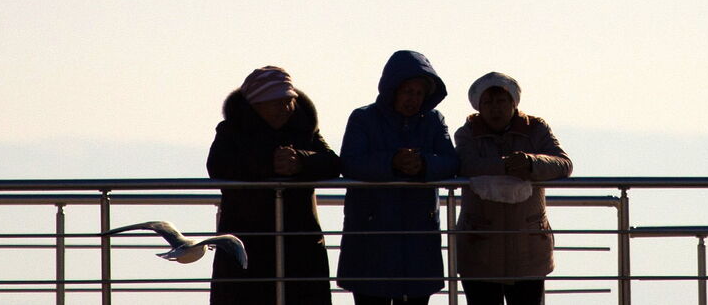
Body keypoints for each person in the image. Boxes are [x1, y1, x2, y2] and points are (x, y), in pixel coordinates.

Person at [205, 65, 342, 305]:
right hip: (247, 241)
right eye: (277, 102)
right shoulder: (231, 130)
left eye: (289, 101)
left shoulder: (305, 126)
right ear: (256, 105)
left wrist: (301, 161)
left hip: (300, 242)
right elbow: (218, 166)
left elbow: (332, 163)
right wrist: (269, 164)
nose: (286, 108)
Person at [337, 50, 460, 305]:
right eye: (407, 91)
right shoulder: (363, 118)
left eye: (418, 93)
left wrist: (424, 164)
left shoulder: (434, 121)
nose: (412, 99)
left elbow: (451, 161)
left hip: (417, 238)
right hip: (372, 236)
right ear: (392, 89)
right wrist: (392, 162)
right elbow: (349, 163)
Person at [453, 73, 573, 305]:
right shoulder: (467, 133)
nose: (495, 109)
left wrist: (531, 163)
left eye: (501, 102)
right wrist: (508, 165)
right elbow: (464, 164)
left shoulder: (536, 129)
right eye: (488, 103)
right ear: (478, 106)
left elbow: (563, 163)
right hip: (480, 248)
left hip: (527, 248)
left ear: (513, 103)